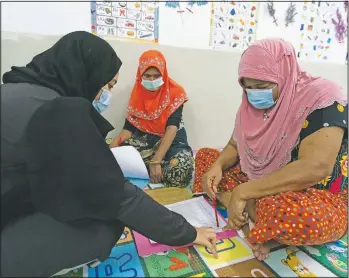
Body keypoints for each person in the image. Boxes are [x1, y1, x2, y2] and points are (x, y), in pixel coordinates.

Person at [1, 31, 217, 277]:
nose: (104, 94)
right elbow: (117, 196)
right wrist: (189, 232)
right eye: (107, 85)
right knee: (108, 222)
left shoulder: (16, 90)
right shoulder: (56, 112)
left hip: (15, 199)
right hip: (9, 227)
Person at [195, 38, 348, 261]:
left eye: (263, 87)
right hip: (258, 181)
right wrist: (218, 166)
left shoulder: (323, 99)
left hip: (313, 192)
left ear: (284, 74)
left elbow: (316, 168)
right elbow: (233, 145)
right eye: (247, 87)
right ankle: (253, 213)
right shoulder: (249, 105)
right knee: (205, 158)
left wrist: (245, 191)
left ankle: (248, 210)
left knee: (298, 218)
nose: (254, 94)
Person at [109, 50, 194, 187]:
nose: (152, 80)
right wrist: (115, 143)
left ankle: (151, 170)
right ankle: (155, 172)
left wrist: (156, 160)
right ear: (140, 75)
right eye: (147, 76)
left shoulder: (176, 92)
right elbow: (129, 128)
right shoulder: (137, 93)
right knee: (114, 154)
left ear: (163, 74)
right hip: (145, 141)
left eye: (156, 76)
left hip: (172, 141)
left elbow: (172, 128)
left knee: (181, 169)